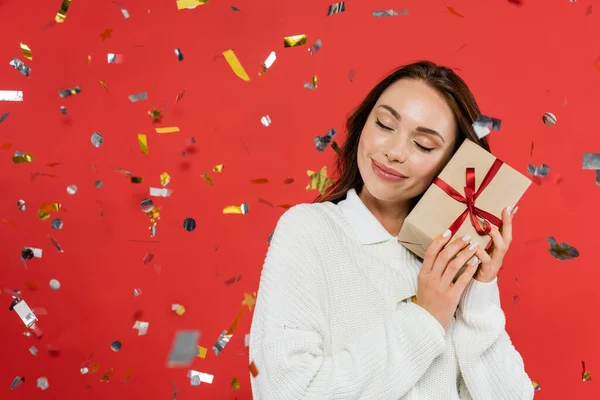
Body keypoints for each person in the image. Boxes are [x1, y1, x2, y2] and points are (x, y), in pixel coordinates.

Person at [248, 61, 534, 399]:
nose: (393, 152)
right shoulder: (309, 230)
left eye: (423, 145)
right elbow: (285, 392)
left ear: (451, 163)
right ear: (363, 123)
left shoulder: (446, 260)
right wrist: (425, 318)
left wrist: (479, 294)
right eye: (384, 124)